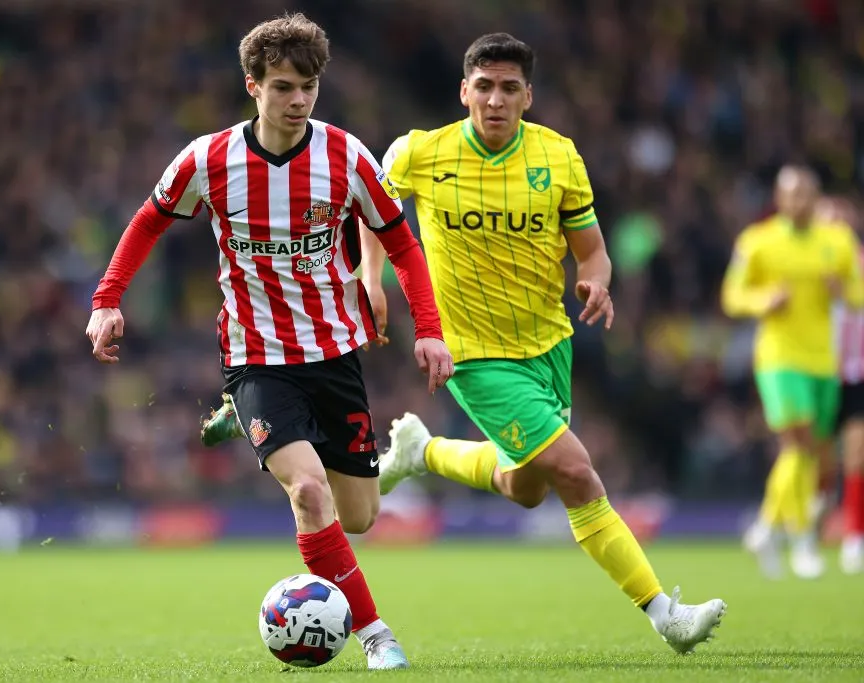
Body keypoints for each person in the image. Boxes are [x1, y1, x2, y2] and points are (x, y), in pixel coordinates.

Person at [203, 32, 727, 654]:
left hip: (547, 347)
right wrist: (369, 276)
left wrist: (597, 281)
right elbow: (377, 215)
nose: (496, 100)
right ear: (464, 91)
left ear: (528, 95)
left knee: (526, 485)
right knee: (575, 471)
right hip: (472, 353)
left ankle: (423, 453)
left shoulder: (560, 157)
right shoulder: (421, 153)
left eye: (509, 88)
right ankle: (664, 612)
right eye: (484, 87)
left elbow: (593, 252)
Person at [86, 13, 454, 670]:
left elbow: (401, 239)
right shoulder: (208, 159)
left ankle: (249, 425)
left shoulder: (346, 157)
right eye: (283, 86)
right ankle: (375, 635)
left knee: (360, 516)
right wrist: (107, 300)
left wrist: (428, 329)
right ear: (252, 85)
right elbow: (148, 222)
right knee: (308, 493)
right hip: (257, 358)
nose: (298, 100)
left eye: (308, 86)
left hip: (334, 354)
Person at [723, 168, 864, 579]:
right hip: (779, 359)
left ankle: (767, 529)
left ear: (816, 198)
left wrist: (842, 291)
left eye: (806, 194)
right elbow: (732, 296)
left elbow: (858, 295)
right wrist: (763, 300)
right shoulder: (758, 242)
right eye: (792, 194)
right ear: (780, 199)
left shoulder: (837, 243)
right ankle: (802, 538)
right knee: (799, 438)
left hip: (825, 362)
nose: (799, 202)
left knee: (808, 452)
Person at [816, 195, 864, 574]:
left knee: (856, 454)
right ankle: (809, 529)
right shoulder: (803, 264)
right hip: (814, 370)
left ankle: (854, 536)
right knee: (819, 460)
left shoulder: (858, 264)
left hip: (854, 370)